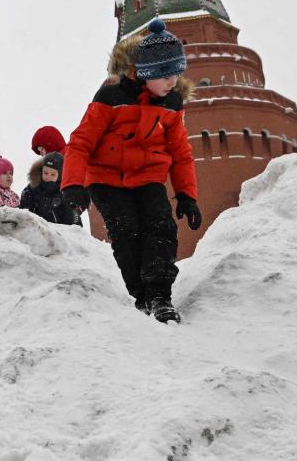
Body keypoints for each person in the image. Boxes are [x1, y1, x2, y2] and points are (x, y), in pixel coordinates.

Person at [61, 20, 205, 323]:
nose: (172, 81)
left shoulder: (171, 104)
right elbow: (80, 142)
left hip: (148, 177)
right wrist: (73, 184)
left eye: (177, 73)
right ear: (147, 72)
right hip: (105, 178)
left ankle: (159, 295)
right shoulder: (111, 97)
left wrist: (186, 196)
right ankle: (140, 296)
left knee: (161, 227)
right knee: (126, 232)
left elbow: (180, 154)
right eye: (166, 75)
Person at [19, 152, 81, 225]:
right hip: (37, 230)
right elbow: (23, 213)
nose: (48, 177)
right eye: (45, 173)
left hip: (60, 232)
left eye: (52, 174)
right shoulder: (32, 189)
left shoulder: (66, 193)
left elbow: (74, 222)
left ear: (60, 175)